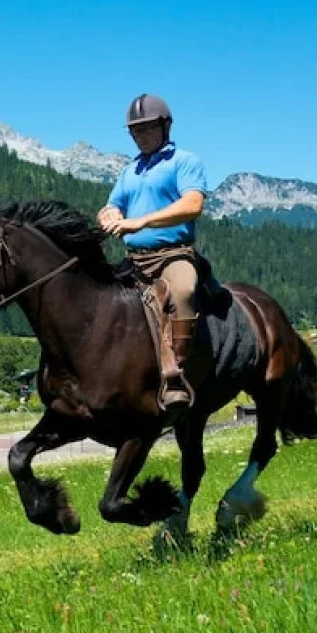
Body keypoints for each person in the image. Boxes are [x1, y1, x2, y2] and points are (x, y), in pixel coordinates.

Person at [97, 93, 208, 410]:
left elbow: (193, 204)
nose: (140, 136)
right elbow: (111, 205)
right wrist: (108, 215)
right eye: (135, 131)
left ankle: (177, 374)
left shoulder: (184, 161)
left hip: (172, 255)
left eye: (147, 129)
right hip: (135, 259)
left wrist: (140, 222)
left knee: (184, 291)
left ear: (165, 126)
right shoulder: (129, 170)